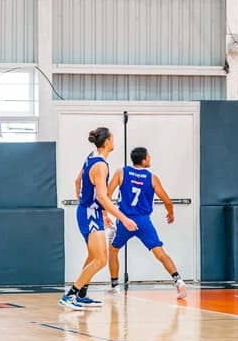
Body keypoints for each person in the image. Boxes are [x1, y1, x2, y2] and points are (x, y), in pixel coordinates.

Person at [59, 127, 138, 310]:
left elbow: (77, 181)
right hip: (89, 213)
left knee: (94, 256)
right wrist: (122, 218)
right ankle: (70, 295)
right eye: (113, 138)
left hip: (89, 211)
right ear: (108, 141)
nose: (114, 141)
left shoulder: (91, 156)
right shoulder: (101, 166)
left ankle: (81, 294)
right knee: (101, 259)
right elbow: (102, 197)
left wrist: (84, 201)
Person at [106, 147, 187, 299]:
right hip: (143, 221)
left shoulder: (121, 172)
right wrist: (170, 213)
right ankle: (179, 281)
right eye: (148, 156)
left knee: (113, 250)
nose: (150, 158)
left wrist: (105, 213)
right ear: (143, 160)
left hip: (125, 220)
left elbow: (107, 194)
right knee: (160, 253)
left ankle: (115, 286)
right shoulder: (152, 178)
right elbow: (167, 201)